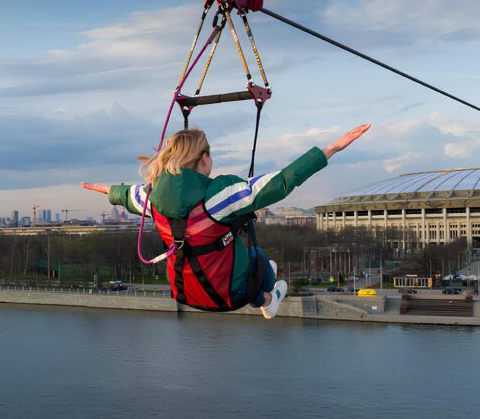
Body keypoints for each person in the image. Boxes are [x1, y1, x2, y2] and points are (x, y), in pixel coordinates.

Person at [82, 123, 370, 318]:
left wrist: (106, 190)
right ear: (204, 159)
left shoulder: (152, 196)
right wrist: (331, 148)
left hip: (184, 293)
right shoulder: (219, 196)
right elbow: (281, 181)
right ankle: (268, 303)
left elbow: (127, 194)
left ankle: (266, 296)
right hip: (230, 295)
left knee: (247, 258)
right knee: (260, 261)